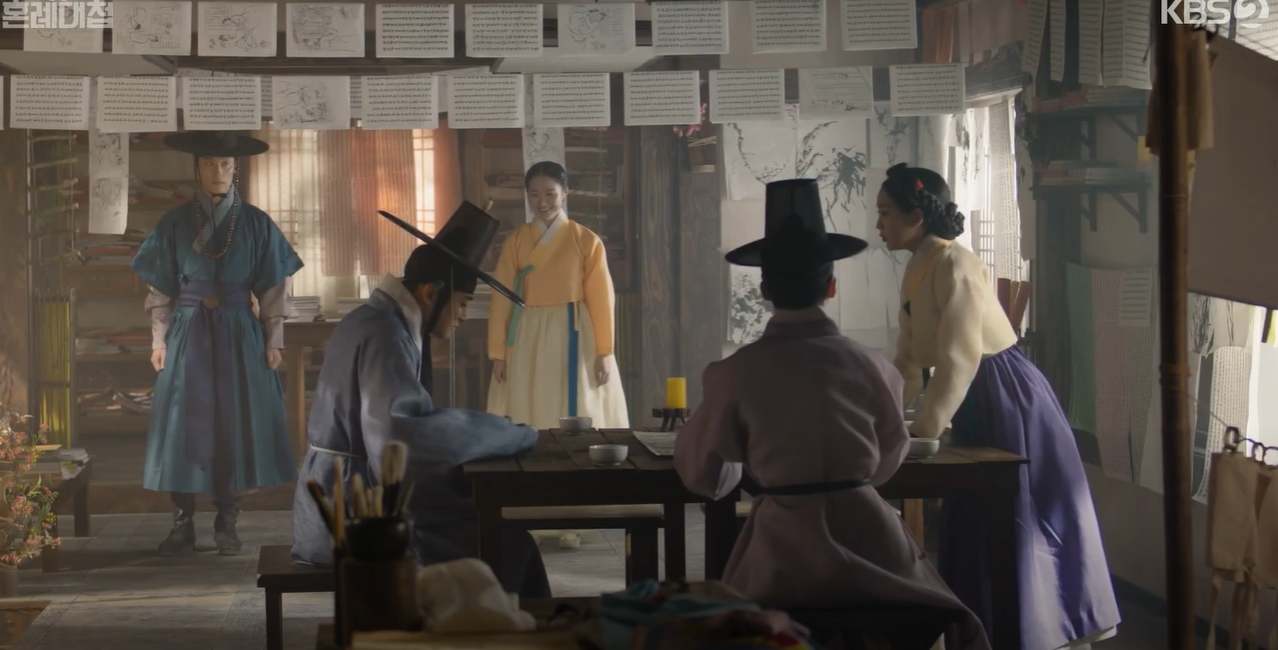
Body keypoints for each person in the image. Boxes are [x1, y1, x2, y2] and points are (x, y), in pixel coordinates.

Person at [675, 179, 989, 650]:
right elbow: (888, 458)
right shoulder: (872, 367)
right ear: (832, 286)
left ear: (764, 288)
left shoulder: (733, 373)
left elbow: (705, 475)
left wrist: (748, 470)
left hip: (781, 558)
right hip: (875, 546)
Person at [875, 163, 1120, 649]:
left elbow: (960, 356)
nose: (878, 224)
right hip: (972, 396)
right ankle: (984, 630)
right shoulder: (918, 267)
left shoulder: (956, 263)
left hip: (1005, 392)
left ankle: (1036, 630)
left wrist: (925, 428)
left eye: (885, 213)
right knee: (976, 518)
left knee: (1019, 513)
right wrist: (889, 419)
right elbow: (908, 357)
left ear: (915, 217)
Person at [291, 203, 551, 598]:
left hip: (343, 494)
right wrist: (510, 434)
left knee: (501, 537)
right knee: (507, 545)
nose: (463, 316)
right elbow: (401, 434)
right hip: (351, 511)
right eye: (462, 302)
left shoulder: (374, 319)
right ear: (431, 293)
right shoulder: (386, 334)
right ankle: (502, 629)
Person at [131, 131, 301, 557]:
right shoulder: (174, 223)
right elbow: (160, 288)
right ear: (197, 168)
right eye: (209, 163)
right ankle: (182, 524)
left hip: (239, 331)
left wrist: (273, 338)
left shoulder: (257, 223)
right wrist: (159, 339)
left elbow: (275, 286)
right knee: (182, 421)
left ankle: (228, 522)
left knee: (233, 422)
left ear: (236, 168)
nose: (218, 171)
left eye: (225, 164)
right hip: (187, 330)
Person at [486, 161, 629, 431]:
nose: (542, 202)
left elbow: (601, 299)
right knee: (529, 399)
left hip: (573, 326)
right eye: (534, 194)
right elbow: (501, 297)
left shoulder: (586, 240)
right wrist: (498, 353)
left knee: (577, 396)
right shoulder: (516, 241)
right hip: (528, 328)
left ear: (565, 193)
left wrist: (604, 352)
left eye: (550, 194)